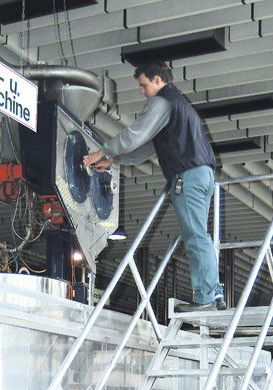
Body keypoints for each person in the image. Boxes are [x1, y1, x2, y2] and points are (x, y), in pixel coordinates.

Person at [83, 61, 226, 313]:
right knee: (200, 235)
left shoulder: (162, 102)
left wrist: (102, 151)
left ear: (158, 80)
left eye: (144, 85)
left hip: (187, 175)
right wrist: (114, 160)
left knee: (195, 237)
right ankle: (214, 293)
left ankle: (206, 297)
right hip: (203, 174)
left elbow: (135, 134)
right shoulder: (180, 106)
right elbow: (150, 146)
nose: (142, 92)